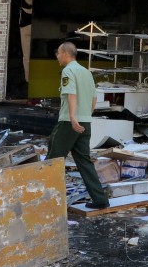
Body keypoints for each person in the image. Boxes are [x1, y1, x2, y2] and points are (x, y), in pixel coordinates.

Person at [46, 42, 109, 210]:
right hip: (85, 121)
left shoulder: (68, 71)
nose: (57, 57)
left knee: (52, 160)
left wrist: (73, 117)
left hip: (69, 122)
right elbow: (94, 98)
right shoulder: (86, 72)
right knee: (84, 162)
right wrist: (84, 115)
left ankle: (45, 200)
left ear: (65, 53)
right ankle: (100, 199)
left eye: (58, 53)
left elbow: (71, 94)